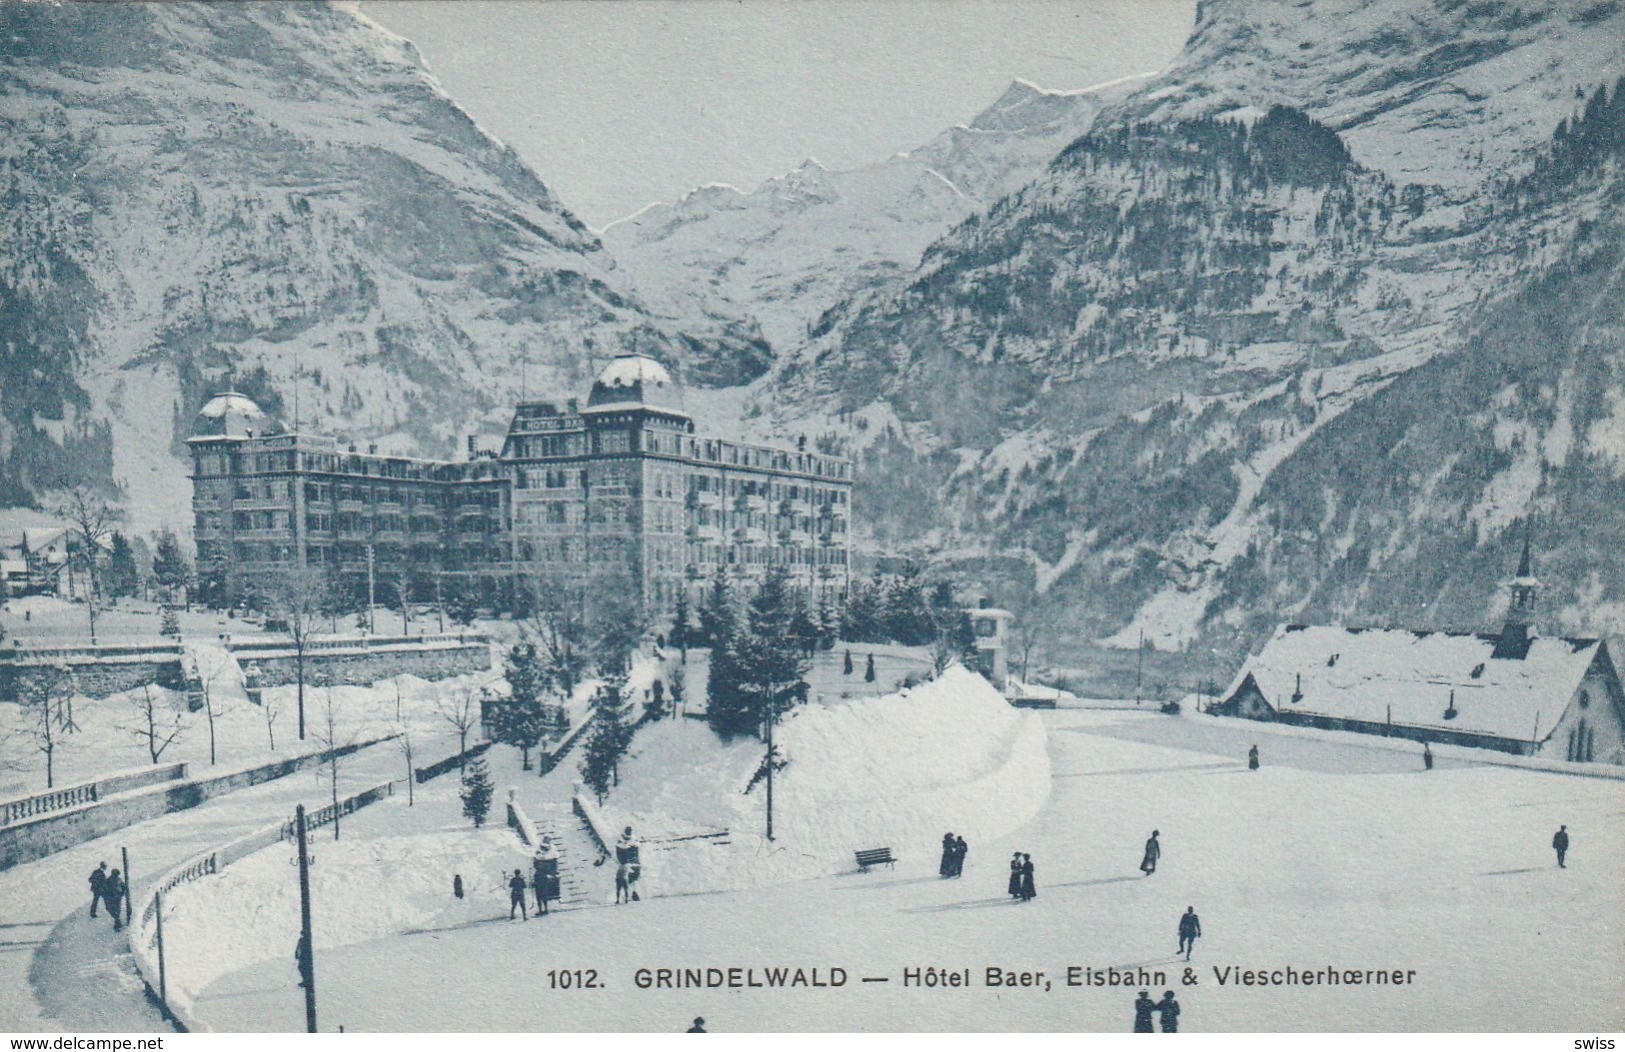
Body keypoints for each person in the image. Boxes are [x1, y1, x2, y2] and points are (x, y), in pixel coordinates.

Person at [533, 837, 561, 914]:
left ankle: (543, 909)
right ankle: (542, 909)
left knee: (542, 896)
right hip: (542, 878)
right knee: (541, 896)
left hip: (543, 879)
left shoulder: (552, 851)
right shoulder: (539, 852)